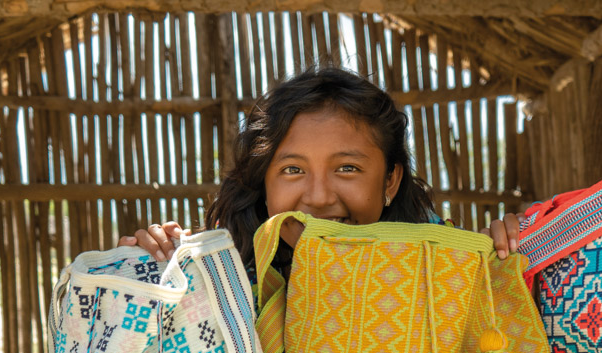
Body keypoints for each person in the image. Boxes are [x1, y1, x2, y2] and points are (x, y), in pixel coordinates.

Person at [118, 66, 521, 265]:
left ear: (391, 181)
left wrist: (508, 253)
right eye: (293, 170)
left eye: (347, 168)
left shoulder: (447, 271)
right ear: (264, 183)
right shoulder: (223, 286)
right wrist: (148, 268)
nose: (318, 197)